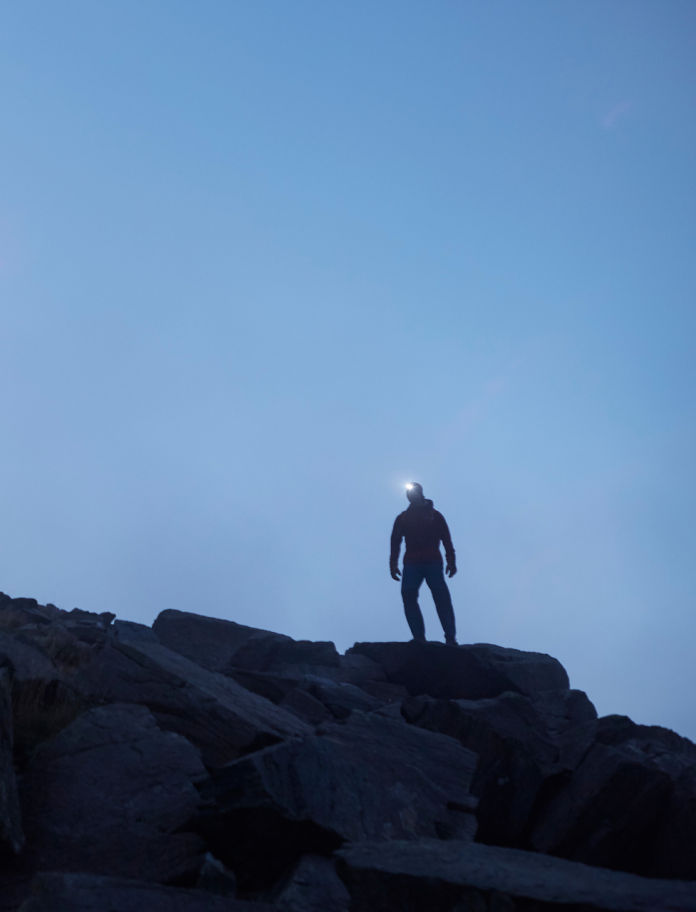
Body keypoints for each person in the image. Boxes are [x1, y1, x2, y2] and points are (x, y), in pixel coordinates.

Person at [390, 482, 458, 645]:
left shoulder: (435, 515)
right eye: (408, 492)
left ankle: (450, 637)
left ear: (421, 493)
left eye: (413, 491)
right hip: (412, 563)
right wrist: (393, 564)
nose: (410, 495)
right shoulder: (403, 518)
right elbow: (395, 542)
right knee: (408, 596)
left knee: (441, 597)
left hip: (432, 561)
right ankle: (418, 637)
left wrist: (451, 560)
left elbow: (446, 539)